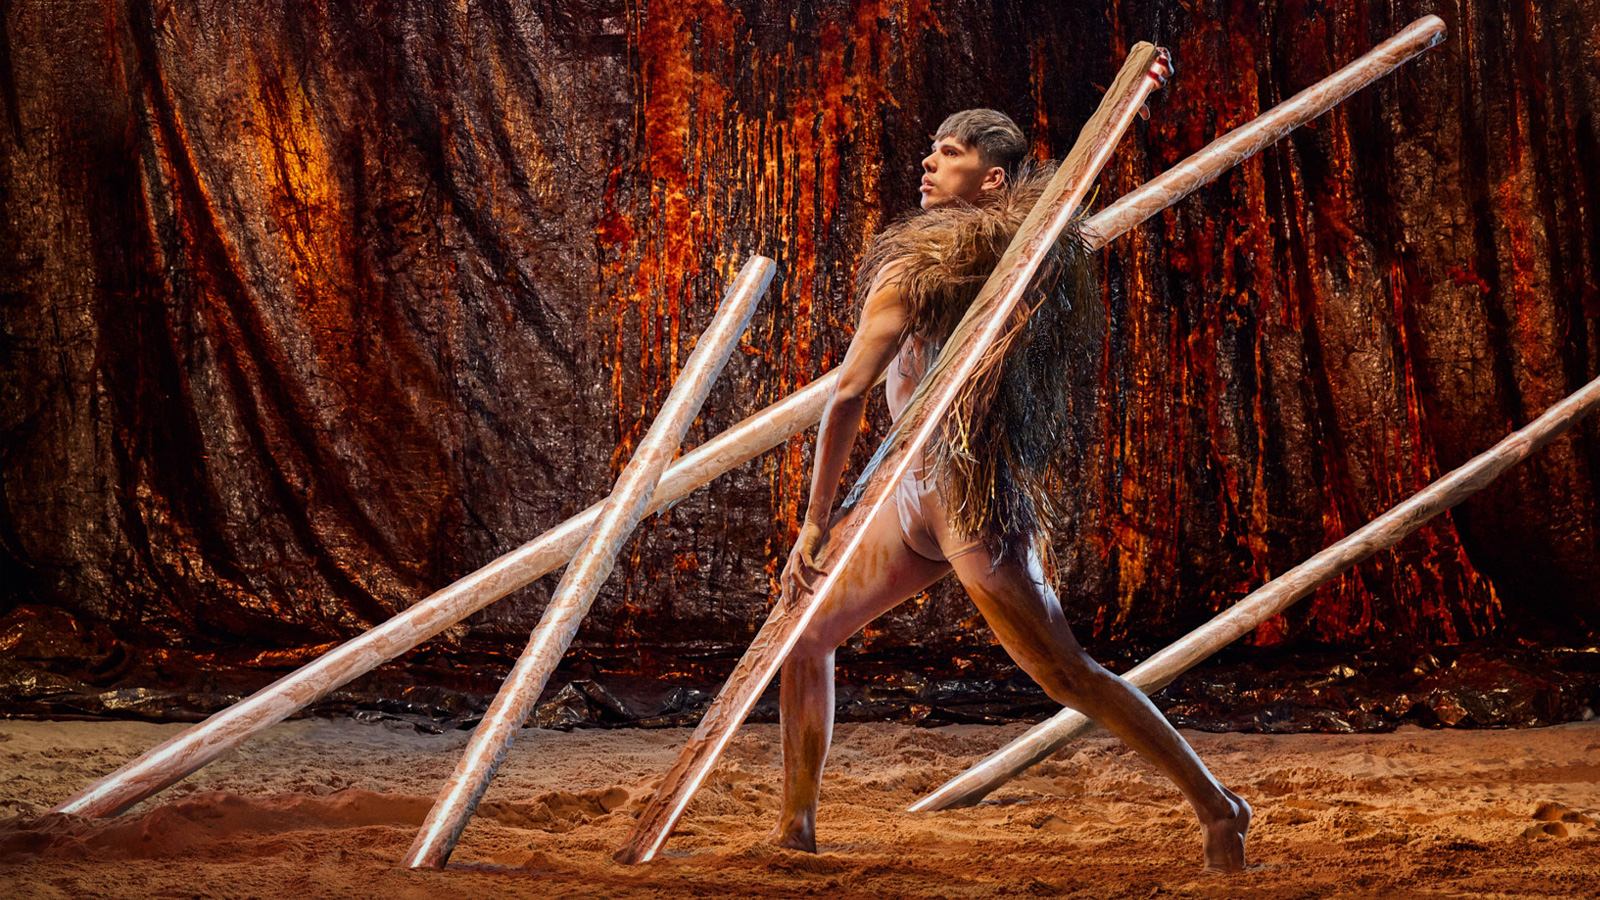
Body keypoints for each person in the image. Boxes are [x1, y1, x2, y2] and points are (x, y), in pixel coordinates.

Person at [771, 109, 1251, 873]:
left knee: (1066, 675)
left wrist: (814, 523)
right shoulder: (915, 266)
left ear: (993, 179)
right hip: (908, 490)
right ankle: (796, 826)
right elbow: (852, 396)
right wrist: (818, 524)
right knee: (805, 638)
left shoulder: (1017, 268)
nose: (927, 162)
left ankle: (1219, 807)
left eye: (950, 153)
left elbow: (848, 398)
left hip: (972, 497)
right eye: (929, 148)